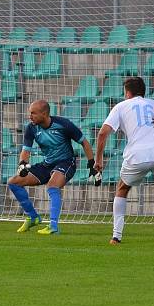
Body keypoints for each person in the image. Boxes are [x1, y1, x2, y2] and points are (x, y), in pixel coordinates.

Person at [95, 77, 154, 245]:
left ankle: (116, 236)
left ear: (127, 92)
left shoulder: (121, 106)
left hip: (137, 155)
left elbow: (103, 133)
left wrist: (99, 160)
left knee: (122, 188)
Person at [9, 99, 97, 235]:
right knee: (13, 182)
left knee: (52, 186)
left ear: (44, 114)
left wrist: (92, 164)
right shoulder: (31, 128)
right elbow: (26, 150)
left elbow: (84, 142)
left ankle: (53, 226)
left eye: (33, 113)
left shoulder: (63, 124)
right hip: (47, 164)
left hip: (66, 163)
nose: (30, 116)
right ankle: (33, 217)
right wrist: (22, 163)